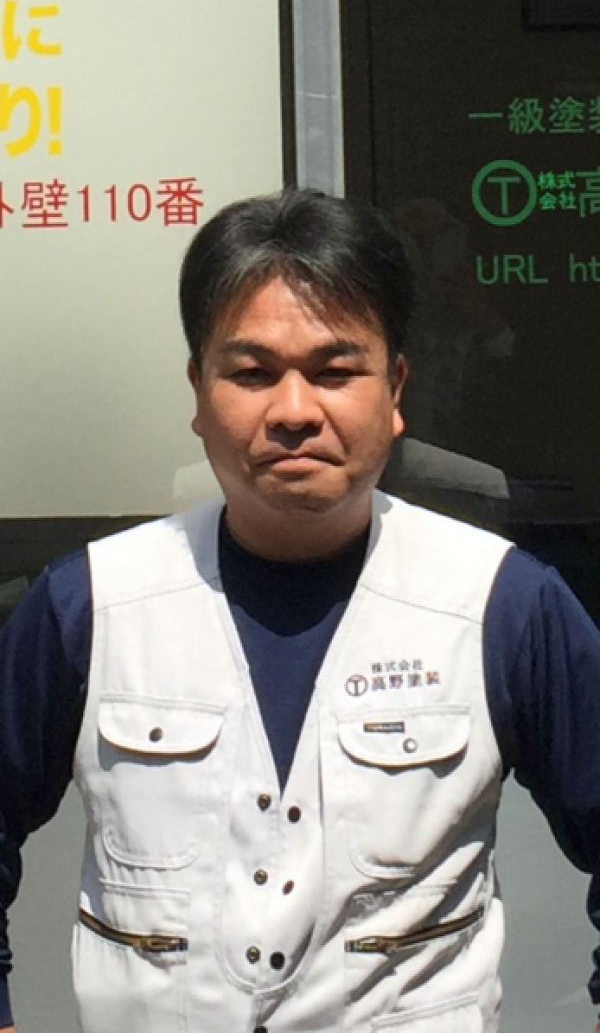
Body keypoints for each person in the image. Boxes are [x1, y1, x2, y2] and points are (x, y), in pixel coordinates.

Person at [1, 187, 600, 1033]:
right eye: (252, 373)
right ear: (199, 392)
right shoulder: (92, 602)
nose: (293, 411)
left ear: (394, 389)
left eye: (334, 371)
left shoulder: (501, 603)